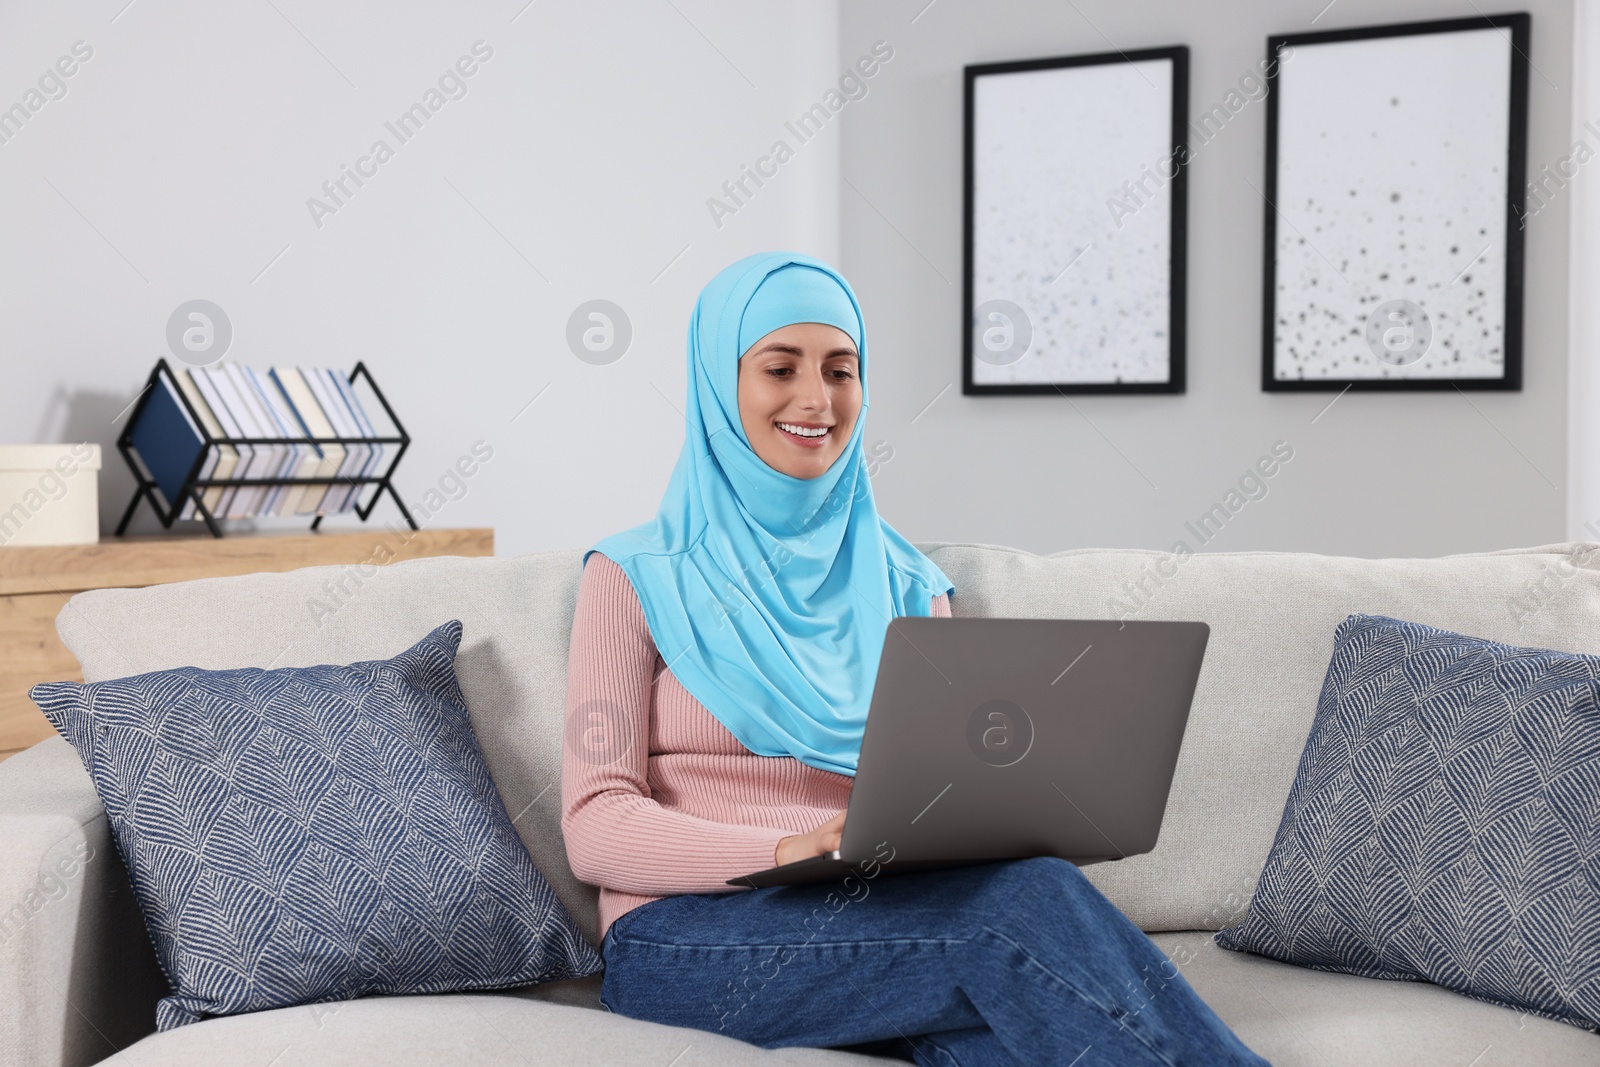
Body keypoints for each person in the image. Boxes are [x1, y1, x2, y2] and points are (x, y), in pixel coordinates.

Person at [560, 250, 1270, 1066]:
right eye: (779, 367)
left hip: (884, 909)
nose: (816, 399)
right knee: (1017, 916)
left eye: (841, 369)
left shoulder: (908, 582)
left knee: (1009, 1001)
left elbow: (944, 787)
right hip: (681, 936)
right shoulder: (631, 576)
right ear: (720, 383)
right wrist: (783, 851)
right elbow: (596, 824)